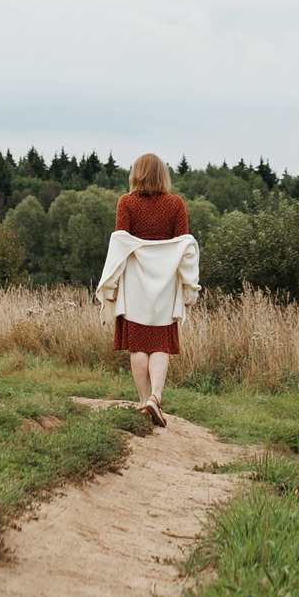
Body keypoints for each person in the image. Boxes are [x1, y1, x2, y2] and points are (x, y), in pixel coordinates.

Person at [98, 154, 200, 427]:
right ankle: (155, 397)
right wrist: (189, 288)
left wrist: (111, 286)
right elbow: (183, 247)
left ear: (136, 174)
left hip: (134, 286)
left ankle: (144, 402)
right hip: (165, 285)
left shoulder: (126, 203)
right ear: (163, 176)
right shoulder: (176, 204)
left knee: (138, 347)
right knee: (160, 345)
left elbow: (121, 248)